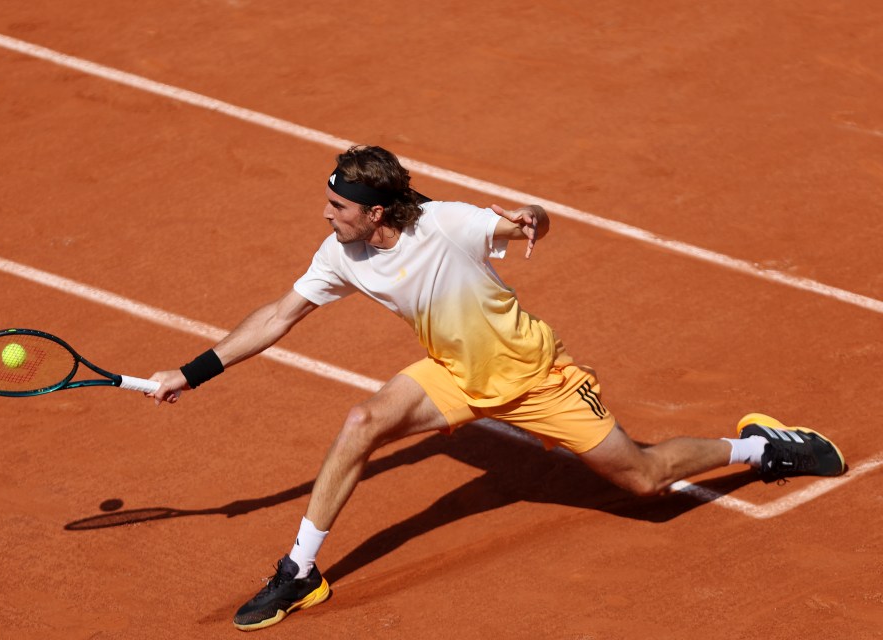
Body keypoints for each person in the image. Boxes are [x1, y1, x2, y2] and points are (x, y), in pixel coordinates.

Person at [147, 145, 845, 632]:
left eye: (338, 206)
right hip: (454, 375)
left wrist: (534, 215)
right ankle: (301, 570)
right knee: (363, 420)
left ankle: (757, 448)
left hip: (537, 379)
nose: (326, 214)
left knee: (644, 482)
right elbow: (278, 316)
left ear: (378, 212)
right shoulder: (340, 255)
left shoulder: (448, 224)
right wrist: (190, 372)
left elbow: (529, 220)